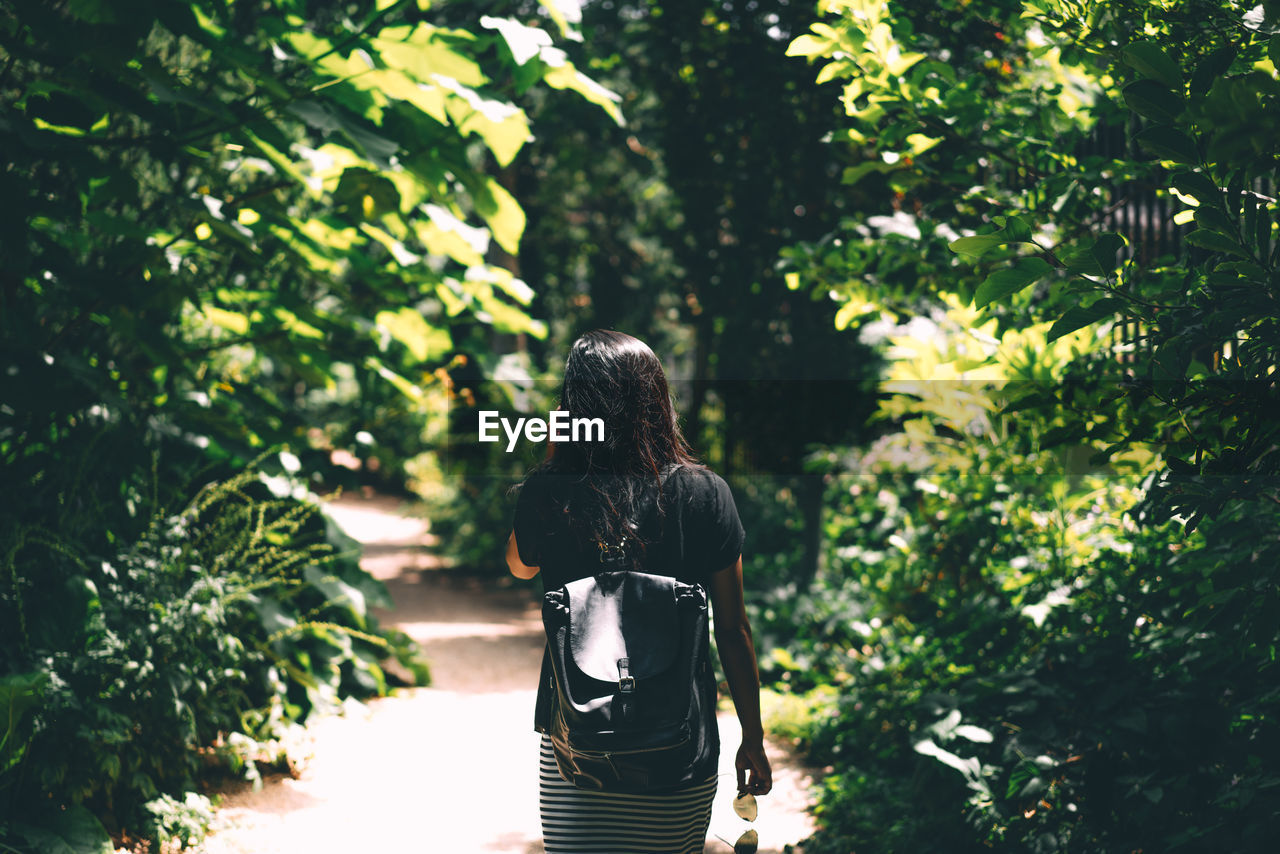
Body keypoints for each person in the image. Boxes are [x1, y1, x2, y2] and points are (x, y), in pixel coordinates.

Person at [505, 329, 772, 854]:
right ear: (656, 400)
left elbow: (519, 564)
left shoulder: (552, 492)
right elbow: (733, 629)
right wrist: (753, 738)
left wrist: (553, 463)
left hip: (576, 745)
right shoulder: (704, 492)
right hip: (680, 743)